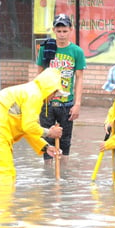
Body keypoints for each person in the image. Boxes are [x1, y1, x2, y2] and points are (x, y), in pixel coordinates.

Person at [0, 68, 64, 185]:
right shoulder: (35, 95)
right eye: (55, 93)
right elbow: (29, 126)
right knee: (4, 179)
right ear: (50, 89)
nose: (53, 97)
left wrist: (45, 147)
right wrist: (49, 132)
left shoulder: (27, 91)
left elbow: (25, 128)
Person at [36, 13, 87, 166]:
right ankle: (48, 175)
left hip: (67, 104)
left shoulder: (77, 52)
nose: (62, 34)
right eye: (59, 31)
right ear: (54, 30)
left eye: (65, 31)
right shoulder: (46, 48)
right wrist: (38, 101)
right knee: (46, 140)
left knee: (65, 142)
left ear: (71, 30)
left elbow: (79, 79)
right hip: (47, 103)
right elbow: (38, 75)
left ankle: (64, 175)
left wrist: (77, 103)